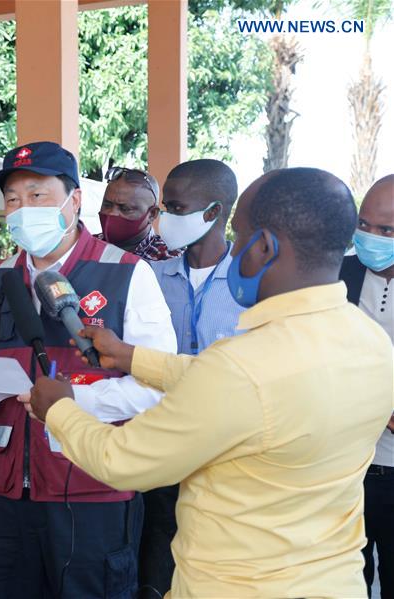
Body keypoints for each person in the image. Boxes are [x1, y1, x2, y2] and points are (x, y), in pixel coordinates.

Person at [26, 167, 394, 598]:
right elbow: (257, 393)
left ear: (266, 247)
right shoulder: (369, 339)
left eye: (239, 236)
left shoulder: (243, 367)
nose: (233, 250)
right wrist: (133, 358)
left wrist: (59, 409)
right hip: (334, 583)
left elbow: (123, 460)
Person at [0, 141, 177, 598]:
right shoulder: (0, 277)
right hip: (9, 490)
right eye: (12, 198)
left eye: (38, 195)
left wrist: (74, 402)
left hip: (91, 484)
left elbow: (157, 386)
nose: (22, 208)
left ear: (73, 201)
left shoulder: (127, 273)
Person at [138, 159, 244, 597]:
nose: (166, 219)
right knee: (153, 569)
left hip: (223, 457)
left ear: (214, 212)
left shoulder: (251, 284)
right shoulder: (148, 277)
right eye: (164, 207)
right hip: (157, 444)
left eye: (177, 208)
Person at [340, 173, 394, 598]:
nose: (371, 237)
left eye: (387, 230)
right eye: (365, 224)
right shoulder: (338, 274)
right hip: (342, 468)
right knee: (343, 581)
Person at [97, 166, 183, 262]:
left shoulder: (171, 259)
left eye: (125, 209)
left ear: (152, 214)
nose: (112, 213)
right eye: (107, 205)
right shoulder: (84, 245)